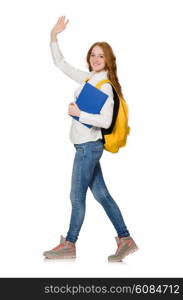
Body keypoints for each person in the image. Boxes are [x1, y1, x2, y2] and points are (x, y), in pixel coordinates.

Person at [43, 16, 139, 262]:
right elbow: (61, 64)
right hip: (86, 147)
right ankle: (125, 239)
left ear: (108, 60)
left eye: (101, 56)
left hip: (88, 148)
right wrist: (54, 35)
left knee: (76, 197)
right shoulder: (89, 79)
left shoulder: (104, 86)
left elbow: (105, 121)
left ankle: (70, 244)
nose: (95, 59)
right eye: (93, 55)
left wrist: (78, 113)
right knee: (102, 195)